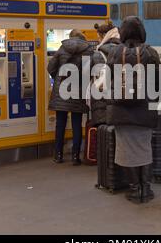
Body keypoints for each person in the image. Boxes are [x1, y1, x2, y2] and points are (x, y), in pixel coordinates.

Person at [106, 16, 161, 204]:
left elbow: (107, 83)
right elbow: (158, 86)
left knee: (126, 150)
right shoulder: (151, 53)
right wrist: (154, 110)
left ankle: (134, 189)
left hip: (121, 110)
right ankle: (146, 189)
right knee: (144, 149)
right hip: (145, 109)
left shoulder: (114, 53)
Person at [48, 29, 93, 165]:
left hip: (61, 90)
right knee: (76, 124)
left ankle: (58, 155)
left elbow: (50, 67)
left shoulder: (62, 48)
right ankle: (75, 157)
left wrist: (58, 79)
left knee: (60, 123)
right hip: (78, 91)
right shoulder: (87, 51)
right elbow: (89, 72)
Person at [89, 21, 120, 126]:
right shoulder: (125, 52)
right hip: (119, 103)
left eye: (99, 37)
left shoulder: (97, 55)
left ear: (103, 36)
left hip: (101, 103)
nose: (98, 40)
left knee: (102, 136)